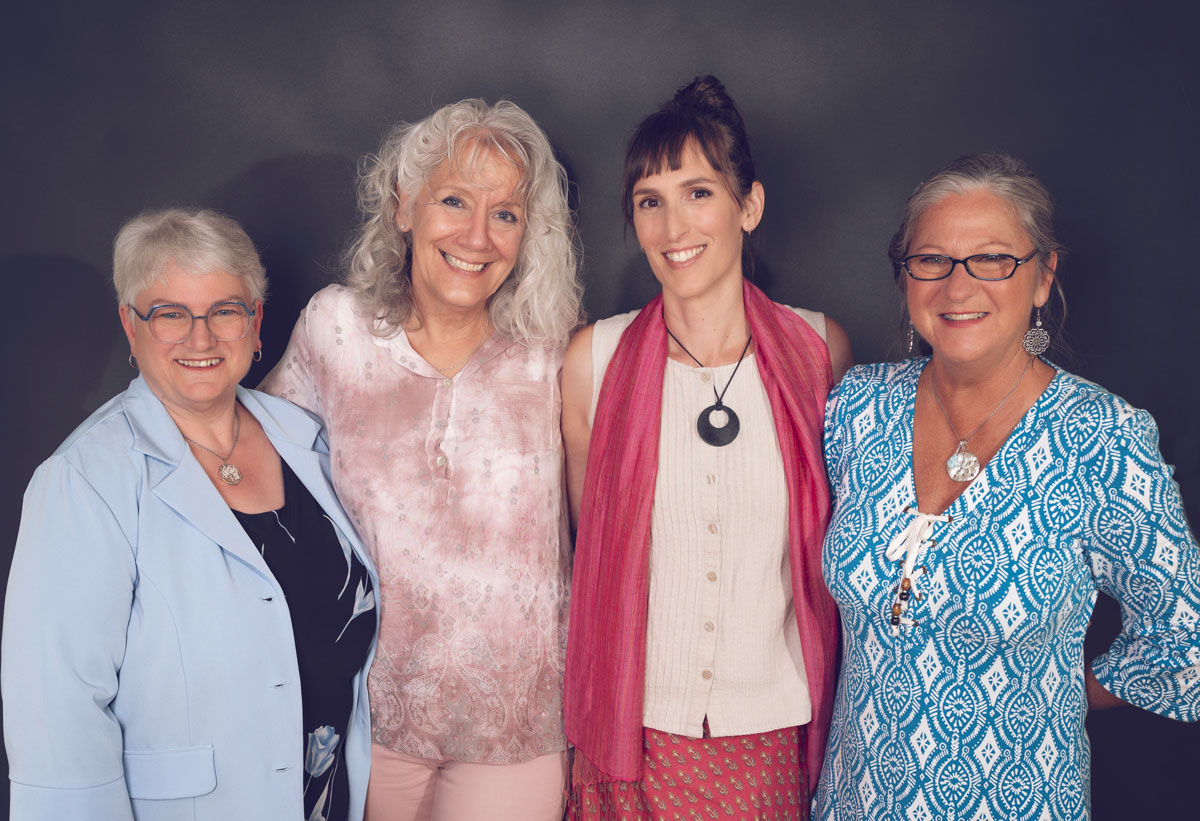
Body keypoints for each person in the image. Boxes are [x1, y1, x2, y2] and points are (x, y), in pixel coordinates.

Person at [815, 153, 1200, 819]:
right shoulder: (856, 408)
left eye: (993, 258)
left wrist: (1052, 689)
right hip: (855, 800)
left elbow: (1187, 644)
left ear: (1043, 276)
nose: (957, 287)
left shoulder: (1102, 439)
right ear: (905, 276)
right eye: (931, 259)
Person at [261, 98, 583, 821]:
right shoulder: (335, 328)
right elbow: (249, 461)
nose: (477, 235)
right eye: (453, 200)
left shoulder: (558, 353)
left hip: (519, 726)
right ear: (403, 205)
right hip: (365, 712)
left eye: (506, 213)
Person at [2, 209, 379, 821]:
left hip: (328, 799)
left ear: (256, 323)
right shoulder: (84, 481)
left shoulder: (306, 439)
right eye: (170, 314)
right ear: (131, 326)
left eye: (224, 311)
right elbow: (55, 713)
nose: (200, 339)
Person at [561, 75, 853, 820]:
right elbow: (583, 552)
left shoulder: (818, 350)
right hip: (630, 733)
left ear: (747, 206)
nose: (671, 226)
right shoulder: (592, 359)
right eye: (649, 201)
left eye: (698, 193)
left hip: (768, 735)